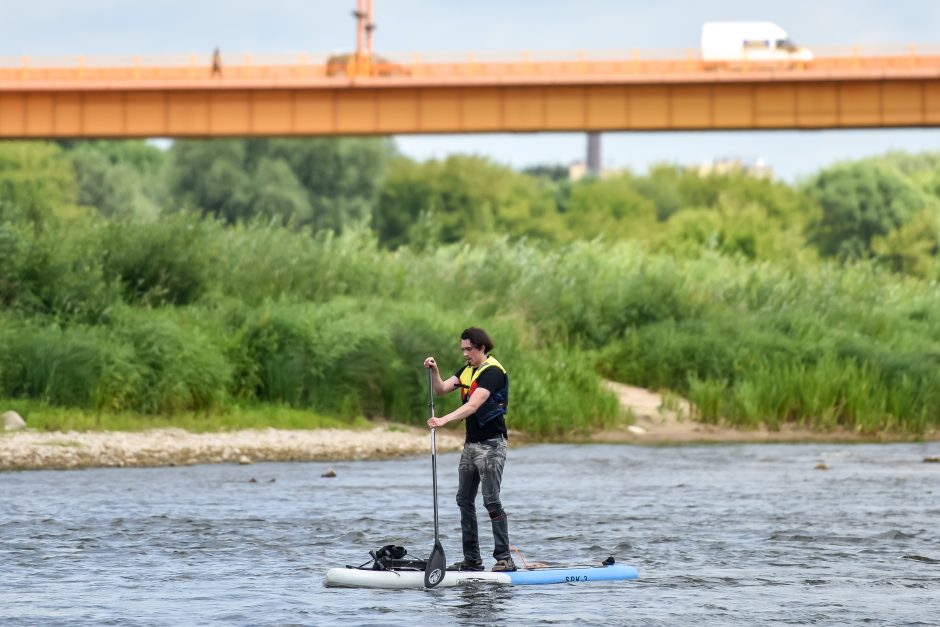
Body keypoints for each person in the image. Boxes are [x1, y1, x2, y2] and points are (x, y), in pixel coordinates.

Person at [424, 327, 515, 573]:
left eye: (469, 349)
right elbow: (441, 389)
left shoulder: (492, 372)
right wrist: (435, 371)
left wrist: (443, 420)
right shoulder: (467, 371)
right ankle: (472, 559)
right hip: (471, 446)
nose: (465, 354)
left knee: (491, 501)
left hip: (492, 445)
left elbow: (474, 405)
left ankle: (505, 559)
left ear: (481, 348)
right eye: (463, 349)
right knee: (463, 500)